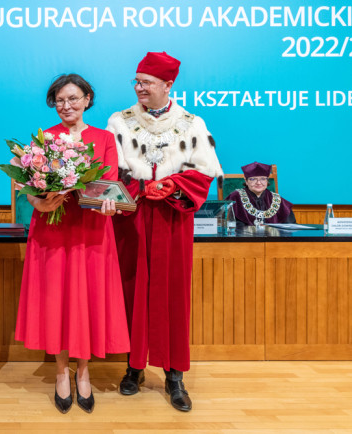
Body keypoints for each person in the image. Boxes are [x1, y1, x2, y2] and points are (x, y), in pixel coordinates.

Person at [106, 52, 223, 412]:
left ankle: (174, 373)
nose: (139, 88)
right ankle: (134, 366)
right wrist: (139, 188)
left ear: (168, 85)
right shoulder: (120, 121)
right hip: (134, 217)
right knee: (133, 290)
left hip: (173, 219)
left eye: (147, 83)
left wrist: (172, 185)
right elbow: (112, 171)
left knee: (172, 292)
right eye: (136, 82)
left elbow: (203, 173)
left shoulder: (191, 123)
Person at [15, 74, 131, 414]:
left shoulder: (104, 138)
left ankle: (84, 372)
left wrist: (109, 202)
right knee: (58, 299)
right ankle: (61, 371)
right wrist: (40, 202)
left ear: (87, 99)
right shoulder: (45, 138)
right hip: (54, 227)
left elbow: (108, 183)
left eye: (73, 98)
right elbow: (30, 186)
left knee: (85, 298)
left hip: (91, 228)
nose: (66, 106)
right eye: (60, 101)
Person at [226, 162, 295, 226]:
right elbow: (228, 224)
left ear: (267, 181)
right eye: (253, 179)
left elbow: (291, 226)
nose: (258, 183)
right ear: (246, 181)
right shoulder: (235, 197)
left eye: (263, 179)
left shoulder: (277, 199)